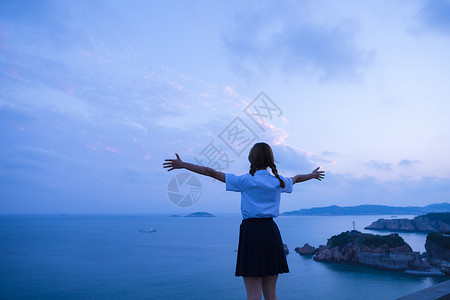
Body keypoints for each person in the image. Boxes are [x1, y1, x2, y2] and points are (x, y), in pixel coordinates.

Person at [163, 142, 325, 300]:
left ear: (251, 159)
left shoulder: (246, 181)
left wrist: (184, 165)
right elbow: (296, 178)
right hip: (271, 232)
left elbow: (209, 172)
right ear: (270, 160)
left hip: (251, 233)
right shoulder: (278, 181)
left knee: (253, 295)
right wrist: (312, 175)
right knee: (271, 294)